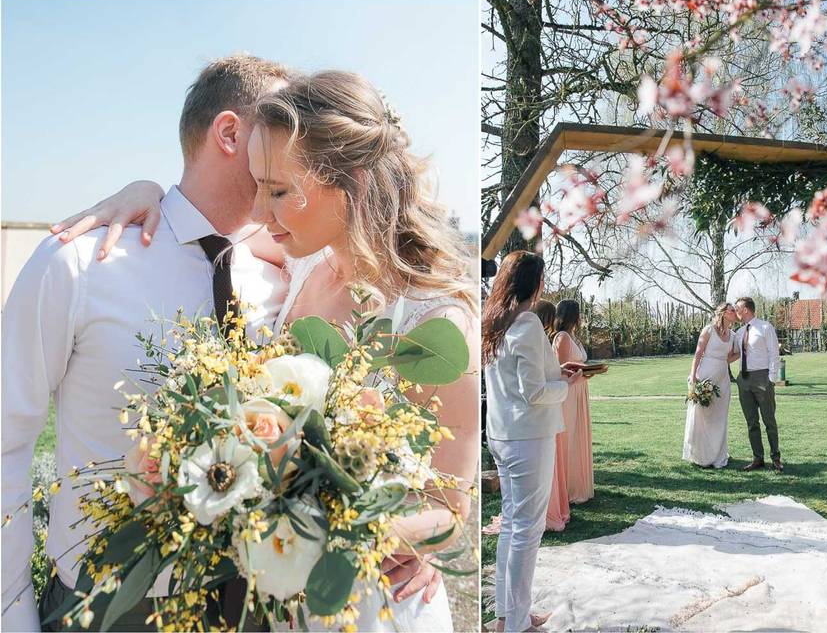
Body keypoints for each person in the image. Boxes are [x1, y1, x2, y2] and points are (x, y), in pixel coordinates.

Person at [33, 69, 474, 632]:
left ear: (352, 180)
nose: (260, 211)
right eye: (259, 184)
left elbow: (451, 514)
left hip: (371, 603)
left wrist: (315, 526)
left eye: (280, 190)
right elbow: (190, 218)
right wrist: (141, 192)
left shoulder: (435, 322)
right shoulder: (301, 257)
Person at [482, 252, 581, 633]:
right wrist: (566, 385)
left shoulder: (495, 324)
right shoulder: (524, 325)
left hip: (504, 435)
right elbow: (534, 392)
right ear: (534, 283)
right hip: (527, 436)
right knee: (527, 529)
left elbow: (520, 380)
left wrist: (559, 371)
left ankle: (509, 613)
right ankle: (518, 622)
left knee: (512, 525)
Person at [683, 303, 738, 469]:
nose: (735, 313)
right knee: (702, 416)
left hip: (722, 379)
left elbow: (732, 355)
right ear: (723, 313)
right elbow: (698, 354)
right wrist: (693, 377)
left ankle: (717, 455)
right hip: (705, 376)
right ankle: (700, 455)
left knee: (719, 417)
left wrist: (723, 361)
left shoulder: (733, 335)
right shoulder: (708, 330)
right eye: (732, 310)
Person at [733, 297, 783, 472]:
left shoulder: (765, 327)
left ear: (746, 309)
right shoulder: (739, 333)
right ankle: (757, 458)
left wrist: (771, 379)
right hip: (744, 380)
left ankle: (776, 458)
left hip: (763, 378)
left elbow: (774, 354)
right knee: (751, 422)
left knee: (769, 420)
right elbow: (732, 353)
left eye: (737, 308)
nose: (735, 311)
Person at [553, 299, 596, 504]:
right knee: (568, 435)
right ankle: (568, 487)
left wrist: (588, 372)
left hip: (581, 389)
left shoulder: (574, 337)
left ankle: (579, 482)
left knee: (579, 433)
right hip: (569, 392)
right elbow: (559, 368)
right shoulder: (562, 337)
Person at [532, 301, 570, 533]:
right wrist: (565, 381)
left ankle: (553, 505)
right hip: (543, 411)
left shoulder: (542, 339)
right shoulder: (533, 339)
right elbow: (537, 387)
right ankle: (546, 512)